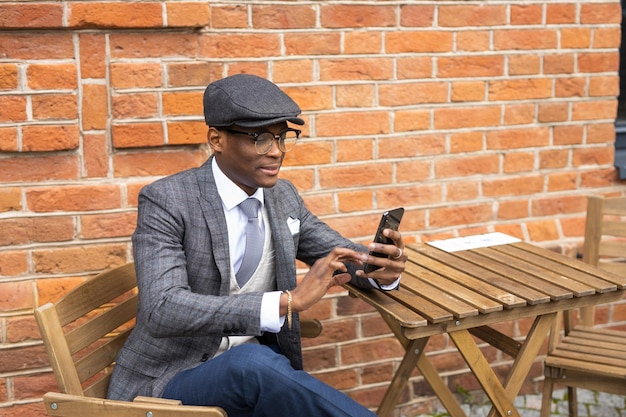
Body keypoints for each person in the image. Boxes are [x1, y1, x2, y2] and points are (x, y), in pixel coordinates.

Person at [107, 73, 408, 417]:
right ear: (217, 139)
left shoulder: (283, 197)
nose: (277, 151)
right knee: (252, 364)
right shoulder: (168, 200)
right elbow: (163, 309)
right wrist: (287, 302)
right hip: (173, 378)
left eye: (283, 137)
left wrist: (380, 269)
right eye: (261, 138)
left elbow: (336, 252)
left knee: (256, 364)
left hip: (257, 370)